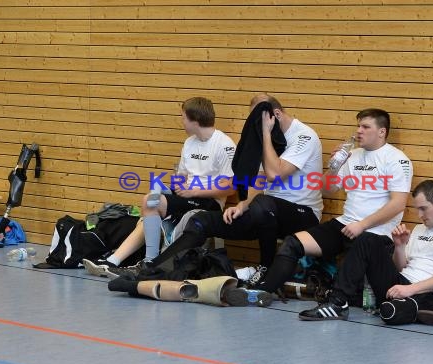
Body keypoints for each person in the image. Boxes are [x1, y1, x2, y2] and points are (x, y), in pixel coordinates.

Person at [109, 94, 324, 302]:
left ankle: (265, 268)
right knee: (201, 220)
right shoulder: (265, 140)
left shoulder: (304, 136)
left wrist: (266, 134)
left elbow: (275, 173)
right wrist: (242, 205)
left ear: (274, 115)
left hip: (302, 213)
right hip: (264, 211)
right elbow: (260, 181)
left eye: (257, 122)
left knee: (263, 205)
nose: (254, 129)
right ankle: (153, 268)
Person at [240, 108, 413, 305]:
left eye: (365, 127)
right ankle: (262, 293)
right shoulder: (352, 155)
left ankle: (337, 304)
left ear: (382, 132)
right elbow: (326, 189)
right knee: (292, 244)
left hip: (374, 232)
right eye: (358, 126)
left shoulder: (397, 159)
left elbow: (398, 204)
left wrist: (362, 224)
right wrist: (334, 167)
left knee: (352, 259)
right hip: (346, 224)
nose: (359, 131)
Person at [84, 96, 236, 276]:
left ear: (194, 120)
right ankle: (116, 261)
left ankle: (147, 263)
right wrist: (174, 187)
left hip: (208, 202)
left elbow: (231, 187)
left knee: (151, 203)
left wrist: (194, 190)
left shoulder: (224, 145)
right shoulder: (189, 143)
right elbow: (182, 177)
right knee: (151, 198)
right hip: (187, 196)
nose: (182, 122)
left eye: (183, 118)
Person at [299, 180, 433, 327]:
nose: (419, 214)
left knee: (390, 313)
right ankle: (337, 303)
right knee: (367, 239)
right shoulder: (419, 229)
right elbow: (401, 267)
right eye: (417, 209)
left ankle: (420, 310)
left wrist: (410, 289)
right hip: (400, 286)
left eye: (423, 208)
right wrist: (399, 247)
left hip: (429, 295)